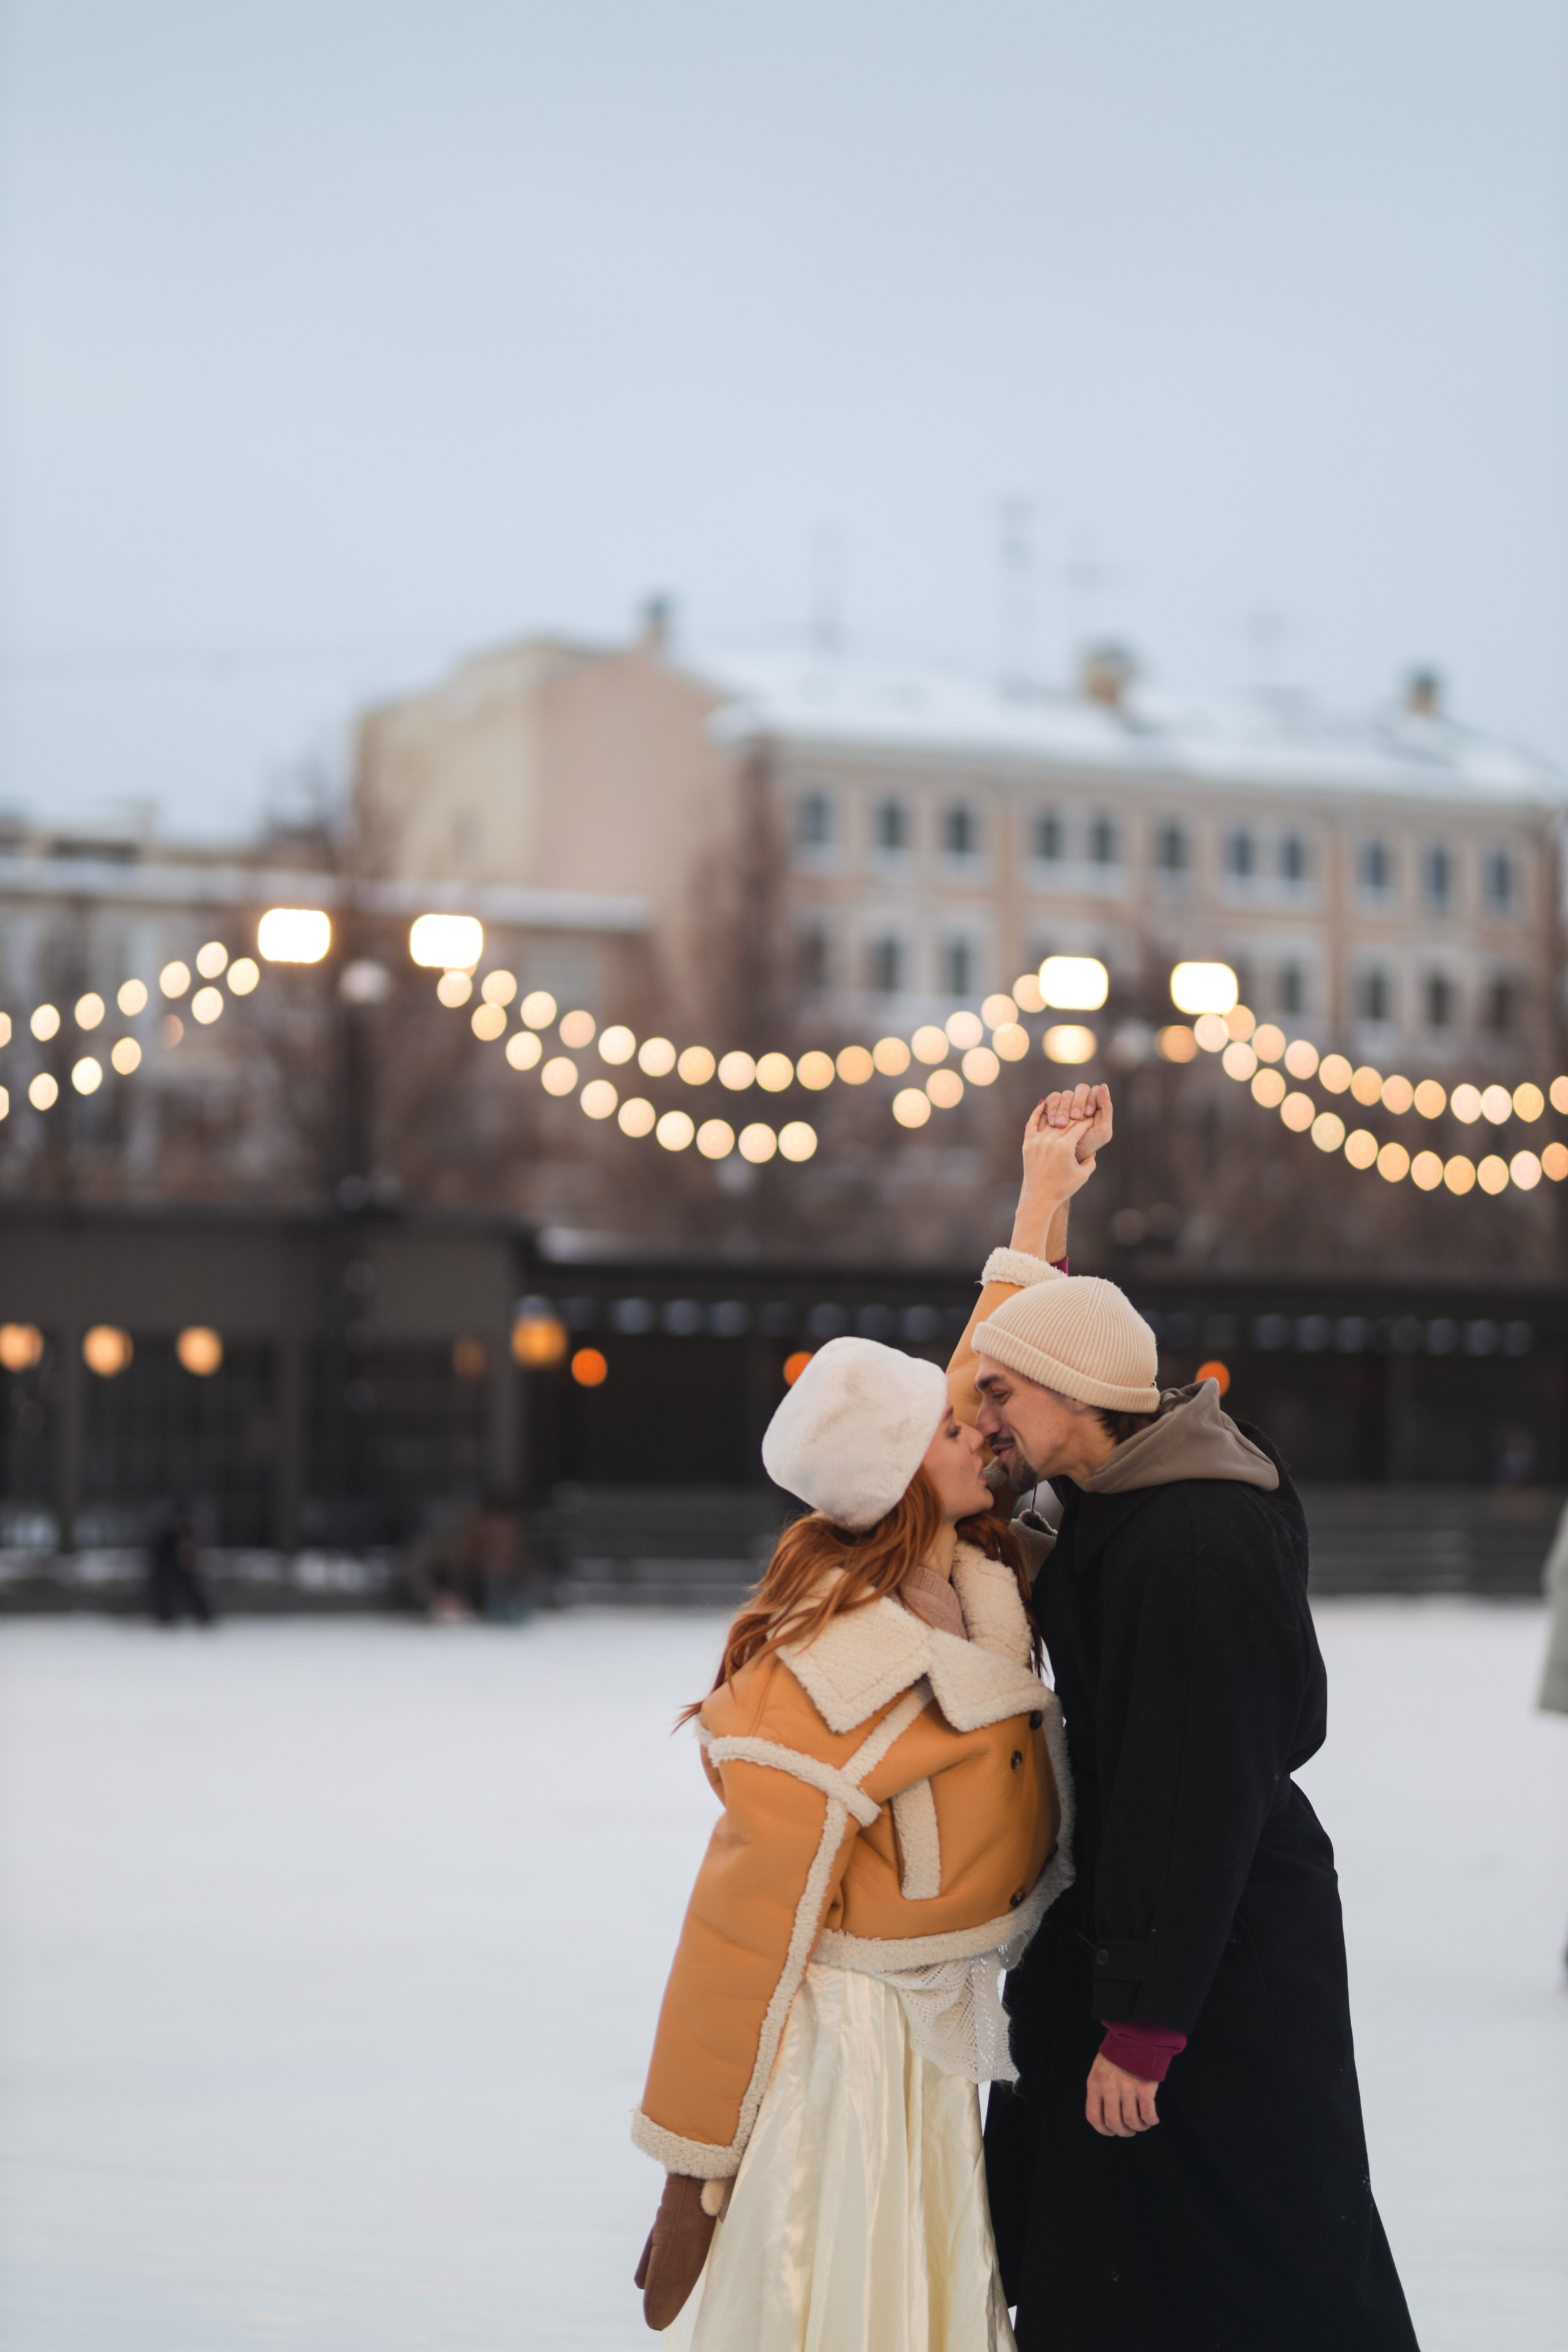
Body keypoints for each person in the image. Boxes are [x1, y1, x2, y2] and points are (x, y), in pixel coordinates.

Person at [948, 1095, 1420, 2352]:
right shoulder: (1133, 1481)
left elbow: (1193, 1791)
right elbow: (1041, 1355)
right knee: (1123, 2250)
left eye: (1000, 1395)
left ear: (1069, 1396)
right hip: (1152, 1931)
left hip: (1206, 1963)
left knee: (1243, 2259)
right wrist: (1041, 1205)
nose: (978, 1419)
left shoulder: (1189, 1542)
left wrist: (1145, 2026)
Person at [630, 1115, 1097, 2348]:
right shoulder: (824, 1665)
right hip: (850, 2051)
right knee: (843, 2296)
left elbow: (978, 1368)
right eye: (952, 1431)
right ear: (896, 1478)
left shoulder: (966, 1560)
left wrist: (1038, 1199)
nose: (980, 1428)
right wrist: (690, 2175)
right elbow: (737, 1930)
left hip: (938, 2027)